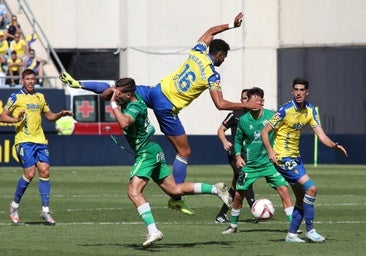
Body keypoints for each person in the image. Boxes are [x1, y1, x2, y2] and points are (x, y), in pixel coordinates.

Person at [59, 11, 262, 215]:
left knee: (118, 88)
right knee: (184, 152)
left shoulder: (197, 52)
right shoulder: (212, 74)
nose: (223, 61)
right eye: (223, 58)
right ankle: (176, 198)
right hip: (167, 107)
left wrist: (231, 25)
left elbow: (210, 31)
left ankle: (79, 83)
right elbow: (220, 103)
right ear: (218, 55)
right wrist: (246, 105)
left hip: (156, 91)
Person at [108, 77, 232, 247]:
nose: (115, 95)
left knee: (133, 191)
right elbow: (105, 94)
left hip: (146, 152)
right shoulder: (130, 100)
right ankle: (215, 189)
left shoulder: (135, 106)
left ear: (128, 94)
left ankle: (153, 231)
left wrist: (113, 104)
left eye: (119, 93)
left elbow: (124, 122)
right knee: (174, 190)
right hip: (153, 149)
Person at [260, 77, 348, 243]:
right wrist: (270, 151)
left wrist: (334, 145)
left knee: (301, 199)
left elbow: (321, 135)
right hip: (283, 158)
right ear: (292, 91)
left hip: (296, 158)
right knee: (312, 188)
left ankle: (291, 235)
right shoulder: (285, 110)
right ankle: (310, 230)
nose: (299, 93)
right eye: (296, 90)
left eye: (302, 90)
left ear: (307, 92)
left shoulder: (311, 110)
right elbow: (265, 132)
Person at [0, 68, 73, 225]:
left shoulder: (40, 97)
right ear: (22, 80)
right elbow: (2, 116)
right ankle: (14, 205)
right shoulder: (16, 97)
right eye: (28, 79)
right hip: (23, 140)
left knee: (45, 171)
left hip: (40, 140)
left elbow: (50, 117)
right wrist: (16, 119)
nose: (31, 81)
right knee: (30, 173)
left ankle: (45, 211)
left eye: (33, 79)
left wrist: (61, 114)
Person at [221, 87, 294, 234]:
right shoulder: (242, 120)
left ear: (262, 102)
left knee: (284, 190)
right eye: (251, 99)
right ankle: (233, 226)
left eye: (257, 100)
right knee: (238, 195)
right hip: (250, 165)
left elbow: (283, 131)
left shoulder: (272, 116)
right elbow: (237, 141)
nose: (254, 103)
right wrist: (238, 156)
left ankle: (294, 226)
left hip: (269, 163)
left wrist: (280, 150)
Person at [215, 88, 256, 223]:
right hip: (235, 154)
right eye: (244, 98)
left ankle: (221, 215)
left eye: (248, 98)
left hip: (249, 155)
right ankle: (256, 210)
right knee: (245, 177)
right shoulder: (235, 114)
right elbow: (221, 130)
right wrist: (224, 141)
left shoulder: (256, 115)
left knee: (236, 186)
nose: (246, 100)